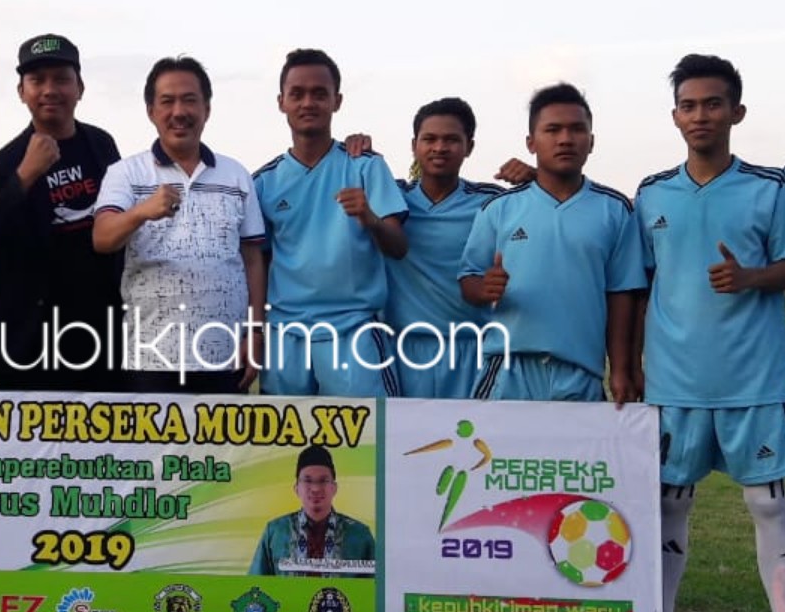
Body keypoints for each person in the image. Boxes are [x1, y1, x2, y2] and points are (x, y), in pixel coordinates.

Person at [634, 55, 785, 612]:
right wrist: (628, 366)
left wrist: (750, 278)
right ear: (676, 115)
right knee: (668, 504)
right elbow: (641, 284)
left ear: (736, 111)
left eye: (713, 103)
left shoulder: (770, 187)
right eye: (689, 105)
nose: (701, 115)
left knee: (768, 504)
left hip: (752, 381)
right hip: (674, 383)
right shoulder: (651, 193)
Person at [459, 84, 645, 403]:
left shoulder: (614, 209)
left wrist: (620, 369)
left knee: (583, 455)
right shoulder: (499, 209)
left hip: (580, 371)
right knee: (492, 454)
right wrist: (484, 287)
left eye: (577, 129)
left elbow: (622, 295)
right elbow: (468, 281)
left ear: (592, 141)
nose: (565, 139)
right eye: (552, 129)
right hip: (508, 368)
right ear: (531, 142)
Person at [92, 56, 266, 393]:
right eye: (167, 101)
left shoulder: (236, 174)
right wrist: (142, 211)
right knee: (154, 448)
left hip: (225, 356)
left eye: (189, 99)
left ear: (207, 108)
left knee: (223, 448)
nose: (179, 111)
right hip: (149, 359)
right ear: (150, 111)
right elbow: (102, 238)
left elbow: (252, 259)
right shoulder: (126, 173)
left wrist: (255, 332)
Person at [0, 34, 124, 390]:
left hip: (102, 331)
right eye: (37, 81)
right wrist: (25, 175)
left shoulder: (101, 144)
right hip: (32, 341)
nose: (49, 90)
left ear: (79, 87)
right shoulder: (6, 161)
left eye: (61, 79)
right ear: (21, 91)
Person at [253, 48, 409, 397]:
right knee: (281, 443)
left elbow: (398, 247)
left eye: (319, 94)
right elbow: (257, 261)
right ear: (282, 102)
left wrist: (369, 218)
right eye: (297, 94)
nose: (308, 102)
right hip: (285, 332)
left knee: (369, 439)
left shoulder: (365, 166)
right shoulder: (263, 182)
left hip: (353, 328)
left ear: (336, 101)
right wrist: (257, 330)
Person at [383, 98, 505, 398]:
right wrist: (355, 146)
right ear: (414, 145)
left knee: (471, 440)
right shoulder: (392, 199)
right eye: (430, 139)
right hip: (402, 351)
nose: (440, 147)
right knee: (402, 443)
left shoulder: (492, 202)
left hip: (472, 349)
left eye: (452, 139)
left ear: (469, 146)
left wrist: (533, 176)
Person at [247, 445, 375, 577]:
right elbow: (255, 585)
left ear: (334, 488)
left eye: (323, 480)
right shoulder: (275, 532)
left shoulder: (360, 535)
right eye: (307, 480)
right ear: (297, 488)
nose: (315, 488)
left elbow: (377, 589)